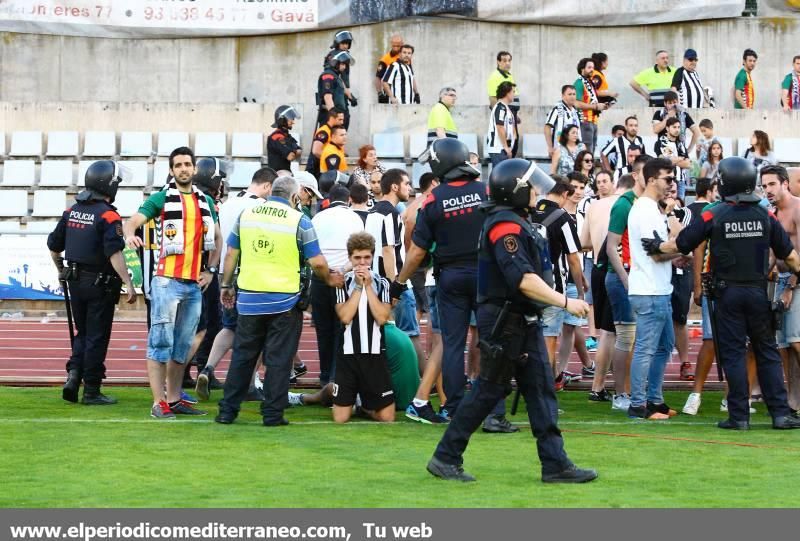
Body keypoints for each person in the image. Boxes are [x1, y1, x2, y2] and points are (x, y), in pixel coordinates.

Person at [425, 158, 597, 484]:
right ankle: (446, 456)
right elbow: (523, 280)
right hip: (506, 321)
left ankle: (555, 464)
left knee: (541, 388)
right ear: (515, 191)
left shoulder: (513, 221)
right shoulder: (505, 226)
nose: (537, 194)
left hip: (519, 318)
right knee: (488, 390)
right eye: (531, 187)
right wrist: (565, 301)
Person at [642, 157, 800, 430]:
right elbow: (792, 259)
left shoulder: (714, 214)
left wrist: (657, 246)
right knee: (767, 351)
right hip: (758, 292)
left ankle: (739, 416)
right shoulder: (767, 215)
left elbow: (682, 243)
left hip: (728, 294)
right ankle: (780, 414)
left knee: (734, 353)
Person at [392, 138, 514, 432]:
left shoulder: (433, 200)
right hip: (487, 276)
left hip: (450, 277)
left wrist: (399, 282)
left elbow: (417, 252)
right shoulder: (486, 190)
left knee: (452, 344)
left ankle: (456, 409)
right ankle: (494, 414)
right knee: (490, 345)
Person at [215, 176, 343, 426]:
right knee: (279, 359)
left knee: (243, 357)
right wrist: (329, 279)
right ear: (294, 197)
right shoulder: (300, 221)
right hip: (284, 302)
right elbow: (316, 262)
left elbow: (231, 253)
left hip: (250, 299)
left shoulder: (247, 215)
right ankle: (272, 414)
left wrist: (227, 285)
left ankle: (227, 411)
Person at [124, 147, 221, 419]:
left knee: (182, 345)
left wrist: (211, 270)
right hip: (166, 280)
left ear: (194, 169)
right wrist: (130, 235)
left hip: (193, 284)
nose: (183, 169)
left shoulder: (205, 201)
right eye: (178, 165)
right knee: (160, 342)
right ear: (171, 170)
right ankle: (158, 402)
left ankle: (175, 398)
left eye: (187, 164)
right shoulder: (161, 198)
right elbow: (133, 222)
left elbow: (217, 237)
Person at [48, 160, 136, 405]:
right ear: (110, 185)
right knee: (97, 336)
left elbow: (54, 247)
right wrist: (127, 282)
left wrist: (61, 270)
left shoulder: (71, 211)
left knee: (83, 333)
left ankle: (74, 376)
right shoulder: (108, 215)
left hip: (74, 281)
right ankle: (92, 390)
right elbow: (114, 253)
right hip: (99, 284)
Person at [195, 167, 276, 400]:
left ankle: (208, 368)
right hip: (248, 273)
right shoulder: (259, 207)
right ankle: (249, 384)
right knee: (256, 330)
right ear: (267, 187)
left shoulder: (230, 203)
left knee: (229, 326)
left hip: (223, 272)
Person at [626, 158, 683, 420]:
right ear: (651, 180)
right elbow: (656, 252)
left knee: (663, 346)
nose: (672, 184)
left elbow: (660, 252)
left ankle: (654, 400)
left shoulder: (651, 209)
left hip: (657, 288)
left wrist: (675, 249)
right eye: (668, 179)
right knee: (647, 348)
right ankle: (638, 405)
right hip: (650, 290)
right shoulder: (646, 210)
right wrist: (680, 244)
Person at [582, 173, 636, 402]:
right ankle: (623, 388)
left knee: (607, 331)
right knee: (622, 332)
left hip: (597, 267)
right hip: (618, 268)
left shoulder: (594, 205)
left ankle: (598, 386)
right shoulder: (629, 206)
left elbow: (583, 241)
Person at [605, 154, 652, 411]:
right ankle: (621, 393)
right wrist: (626, 280)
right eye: (649, 174)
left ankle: (632, 390)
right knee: (625, 337)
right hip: (624, 277)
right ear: (636, 175)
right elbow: (611, 247)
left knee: (636, 338)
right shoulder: (625, 204)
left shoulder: (646, 203)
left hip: (639, 278)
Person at [333, 232, 395, 423]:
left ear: (372, 257)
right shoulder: (342, 283)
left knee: (387, 418)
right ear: (350, 258)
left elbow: (382, 317)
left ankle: (362, 406)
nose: (362, 262)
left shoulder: (382, 283)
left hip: (374, 355)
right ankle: (329, 392)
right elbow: (345, 316)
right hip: (348, 355)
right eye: (357, 258)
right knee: (340, 419)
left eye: (366, 257)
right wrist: (359, 287)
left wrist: (368, 287)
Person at [366, 169, 425, 368]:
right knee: (411, 335)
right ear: (394, 186)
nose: (409, 188)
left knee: (384, 339)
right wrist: (395, 287)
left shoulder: (372, 212)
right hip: (394, 284)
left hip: (375, 284)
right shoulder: (390, 214)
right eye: (406, 184)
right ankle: (426, 383)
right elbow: (388, 250)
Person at [531, 181, 584, 385]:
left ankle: (543, 384)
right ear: (563, 194)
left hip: (528, 284)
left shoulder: (529, 212)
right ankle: (541, 393)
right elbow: (573, 257)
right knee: (548, 342)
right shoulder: (562, 217)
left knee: (529, 341)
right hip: (553, 287)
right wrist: (580, 289)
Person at [311, 184, 364, 386]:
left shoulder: (318, 218)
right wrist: (342, 270)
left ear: (328, 199)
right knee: (341, 329)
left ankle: (325, 375)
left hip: (320, 276)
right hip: (344, 278)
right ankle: (336, 376)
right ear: (349, 199)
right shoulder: (354, 218)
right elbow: (360, 252)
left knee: (323, 329)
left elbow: (311, 250)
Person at [761, 165, 800, 412]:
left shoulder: (798, 208)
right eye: (764, 186)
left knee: (796, 342)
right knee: (786, 346)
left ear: (785, 183)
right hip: (781, 280)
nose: (767, 190)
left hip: (796, 281)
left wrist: (790, 288)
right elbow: (773, 253)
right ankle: (793, 401)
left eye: (772, 184)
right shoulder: (771, 213)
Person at [681, 177, 720, 414]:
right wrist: (697, 284)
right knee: (710, 339)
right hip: (714, 283)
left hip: (739, 285)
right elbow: (698, 247)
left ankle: (735, 395)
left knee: (738, 344)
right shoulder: (710, 211)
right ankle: (695, 394)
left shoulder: (753, 210)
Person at [574, 58, 609, 154]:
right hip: (584, 121)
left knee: (591, 152)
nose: (592, 70)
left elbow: (592, 101)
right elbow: (576, 103)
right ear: (582, 69)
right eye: (589, 67)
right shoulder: (579, 83)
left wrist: (603, 106)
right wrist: (596, 107)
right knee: (587, 152)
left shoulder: (590, 83)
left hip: (593, 121)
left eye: (593, 67)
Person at [655, 117, 691, 200]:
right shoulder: (662, 142)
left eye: (678, 127)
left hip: (681, 181)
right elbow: (668, 162)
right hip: (668, 180)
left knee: (679, 205)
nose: (677, 130)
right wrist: (681, 158)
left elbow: (688, 164)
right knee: (667, 203)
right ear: (667, 128)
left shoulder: (680, 143)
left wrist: (675, 159)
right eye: (674, 127)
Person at [317, 51, 353, 130]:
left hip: (337, 115)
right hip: (330, 116)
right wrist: (334, 117)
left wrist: (351, 97)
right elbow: (328, 97)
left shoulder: (336, 77)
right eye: (343, 64)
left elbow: (344, 89)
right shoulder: (328, 76)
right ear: (335, 63)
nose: (344, 67)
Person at [486, 81, 519, 166]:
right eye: (513, 92)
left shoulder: (505, 108)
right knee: (499, 177)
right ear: (507, 93)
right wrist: (505, 147)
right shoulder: (500, 107)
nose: (514, 95)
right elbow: (500, 127)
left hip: (504, 149)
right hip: (499, 149)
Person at [544, 85, 582, 158]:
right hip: (560, 150)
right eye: (569, 94)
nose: (572, 96)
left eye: (574, 94)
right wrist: (550, 147)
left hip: (575, 150)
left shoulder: (575, 111)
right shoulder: (557, 109)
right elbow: (547, 127)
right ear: (563, 96)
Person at [306, 108, 345, 179]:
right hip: (318, 169)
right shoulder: (324, 131)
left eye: (342, 119)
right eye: (340, 119)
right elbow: (316, 151)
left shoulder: (333, 131)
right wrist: (330, 160)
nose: (342, 122)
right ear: (332, 118)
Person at [266, 105, 301, 172]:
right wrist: (294, 151)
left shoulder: (287, 136)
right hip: (277, 175)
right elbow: (290, 156)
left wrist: (293, 152)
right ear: (282, 119)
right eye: (290, 119)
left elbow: (300, 151)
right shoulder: (276, 137)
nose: (293, 122)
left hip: (286, 173)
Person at [375, 33, 405, 103]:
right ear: (391, 44)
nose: (396, 48)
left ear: (402, 44)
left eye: (398, 46)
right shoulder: (385, 59)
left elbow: (411, 76)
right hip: (390, 95)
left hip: (404, 94)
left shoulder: (405, 58)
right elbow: (378, 78)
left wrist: (416, 93)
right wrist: (380, 93)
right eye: (394, 46)